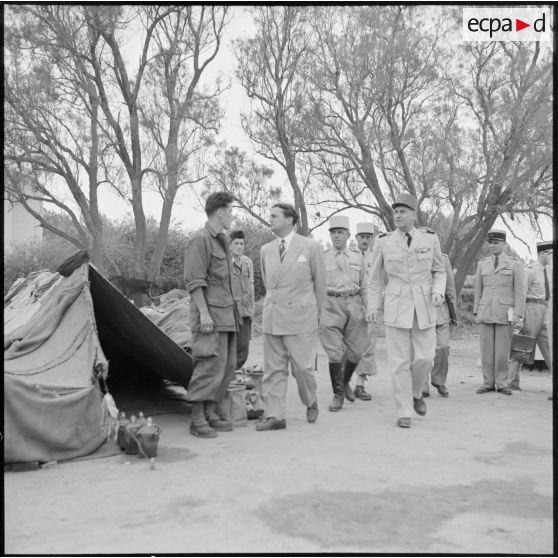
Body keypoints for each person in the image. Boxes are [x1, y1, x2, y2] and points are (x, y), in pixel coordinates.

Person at [366, 193, 446, 428]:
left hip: (424, 304)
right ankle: (404, 411)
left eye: (402, 212)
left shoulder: (430, 239)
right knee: (399, 362)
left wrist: (438, 290)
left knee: (425, 357)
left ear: (414, 214)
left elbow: (439, 271)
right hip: (396, 305)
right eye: (395, 212)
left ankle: (416, 392)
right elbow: (374, 279)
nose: (397, 216)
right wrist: (373, 306)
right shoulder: (383, 241)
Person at [256, 202, 326, 431]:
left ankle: (310, 399)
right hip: (273, 315)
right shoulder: (265, 250)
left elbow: (320, 284)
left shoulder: (311, 246)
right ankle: (275, 415)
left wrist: (318, 315)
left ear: (289, 219)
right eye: (270, 216)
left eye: (275, 216)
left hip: (301, 317)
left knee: (303, 369)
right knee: (273, 368)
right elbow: (269, 283)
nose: (270, 219)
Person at [183, 191, 238, 438]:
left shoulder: (222, 240)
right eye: (231, 211)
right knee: (208, 364)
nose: (232, 216)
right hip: (209, 316)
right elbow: (195, 281)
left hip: (226, 315)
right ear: (220, 212)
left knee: (226, 366)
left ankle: (211, 412)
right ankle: (197, 419)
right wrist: (204, 314)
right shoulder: (200, 240)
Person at [319, 215, 369, 412]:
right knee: (334, 352)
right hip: (330, 304)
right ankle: (338, 394)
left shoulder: (358, 257)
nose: (336, 236)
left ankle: (345, 381)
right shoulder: (322, 257)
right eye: (333, 233)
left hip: (354, 303)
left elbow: (365, 285)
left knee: (357, 350)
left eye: (340, 232)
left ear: (348, 235)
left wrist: (370, 308)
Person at [473, 229, 524, 396]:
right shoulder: (483, 264)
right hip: (485, 311)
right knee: (486, 350)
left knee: (502, 351)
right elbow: (478, 290)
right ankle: (487, 383)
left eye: (496, 243)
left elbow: (519, 291)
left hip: (505, 312)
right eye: (491, 243)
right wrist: (476, 312)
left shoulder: (514, 264)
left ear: (504, 244)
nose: (493, 245)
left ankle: (502, 383)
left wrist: (518, 313)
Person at [508, 240, 552, 390]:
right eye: (549, 253)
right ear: (541, 253)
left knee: (550, 347)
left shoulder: (549, 271)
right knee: (523, 345)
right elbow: (522, 293)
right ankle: (512, 382)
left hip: (545, 311)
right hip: (531, 309)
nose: (552, 256)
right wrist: (520, 316)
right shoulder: (531, 270)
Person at [347, 221, 380, 401]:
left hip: (370, 307)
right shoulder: (349, 255)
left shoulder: (376, 256)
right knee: (350, 346)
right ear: (356, 238)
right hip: (352, 305)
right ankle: (344, 382)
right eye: (362, 237)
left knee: (368, 346)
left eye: (368, 237)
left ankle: (360, 384)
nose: (365, 240)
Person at [421, 251, 457, 397]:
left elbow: (450, 288)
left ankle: (439, 380)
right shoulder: (412, 256)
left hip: (440, 311)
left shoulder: (443, 258)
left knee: (443, 346)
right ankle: (422, 384)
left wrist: (453, 313)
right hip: (421, 311)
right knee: (422, 350)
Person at [229, 230, 255, 370]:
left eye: (241, 243)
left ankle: (234, 371)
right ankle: (227, 376)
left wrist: (252, 307)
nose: (239, 246)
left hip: (245, 311)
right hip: (229, 311)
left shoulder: (247, 262)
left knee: (243, 347)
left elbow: (251, 285)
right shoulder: (224, 262)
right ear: (230, 245)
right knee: (228, 346)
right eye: (236, 243)